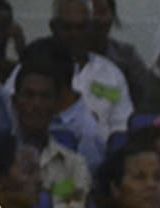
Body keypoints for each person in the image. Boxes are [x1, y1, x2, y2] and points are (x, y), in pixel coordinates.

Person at [5, 39, 95, 208]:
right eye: (29, 96)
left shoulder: (75, 164)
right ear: (16, 102)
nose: (36, 105)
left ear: (56, 104)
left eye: (45, 97)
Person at [46, 0, 133, 142]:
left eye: (81, 27)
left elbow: (122, 127)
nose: (74, 34)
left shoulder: (112, 74)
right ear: (54, 27)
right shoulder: (34, 66)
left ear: (91, 27)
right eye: (67, 27)